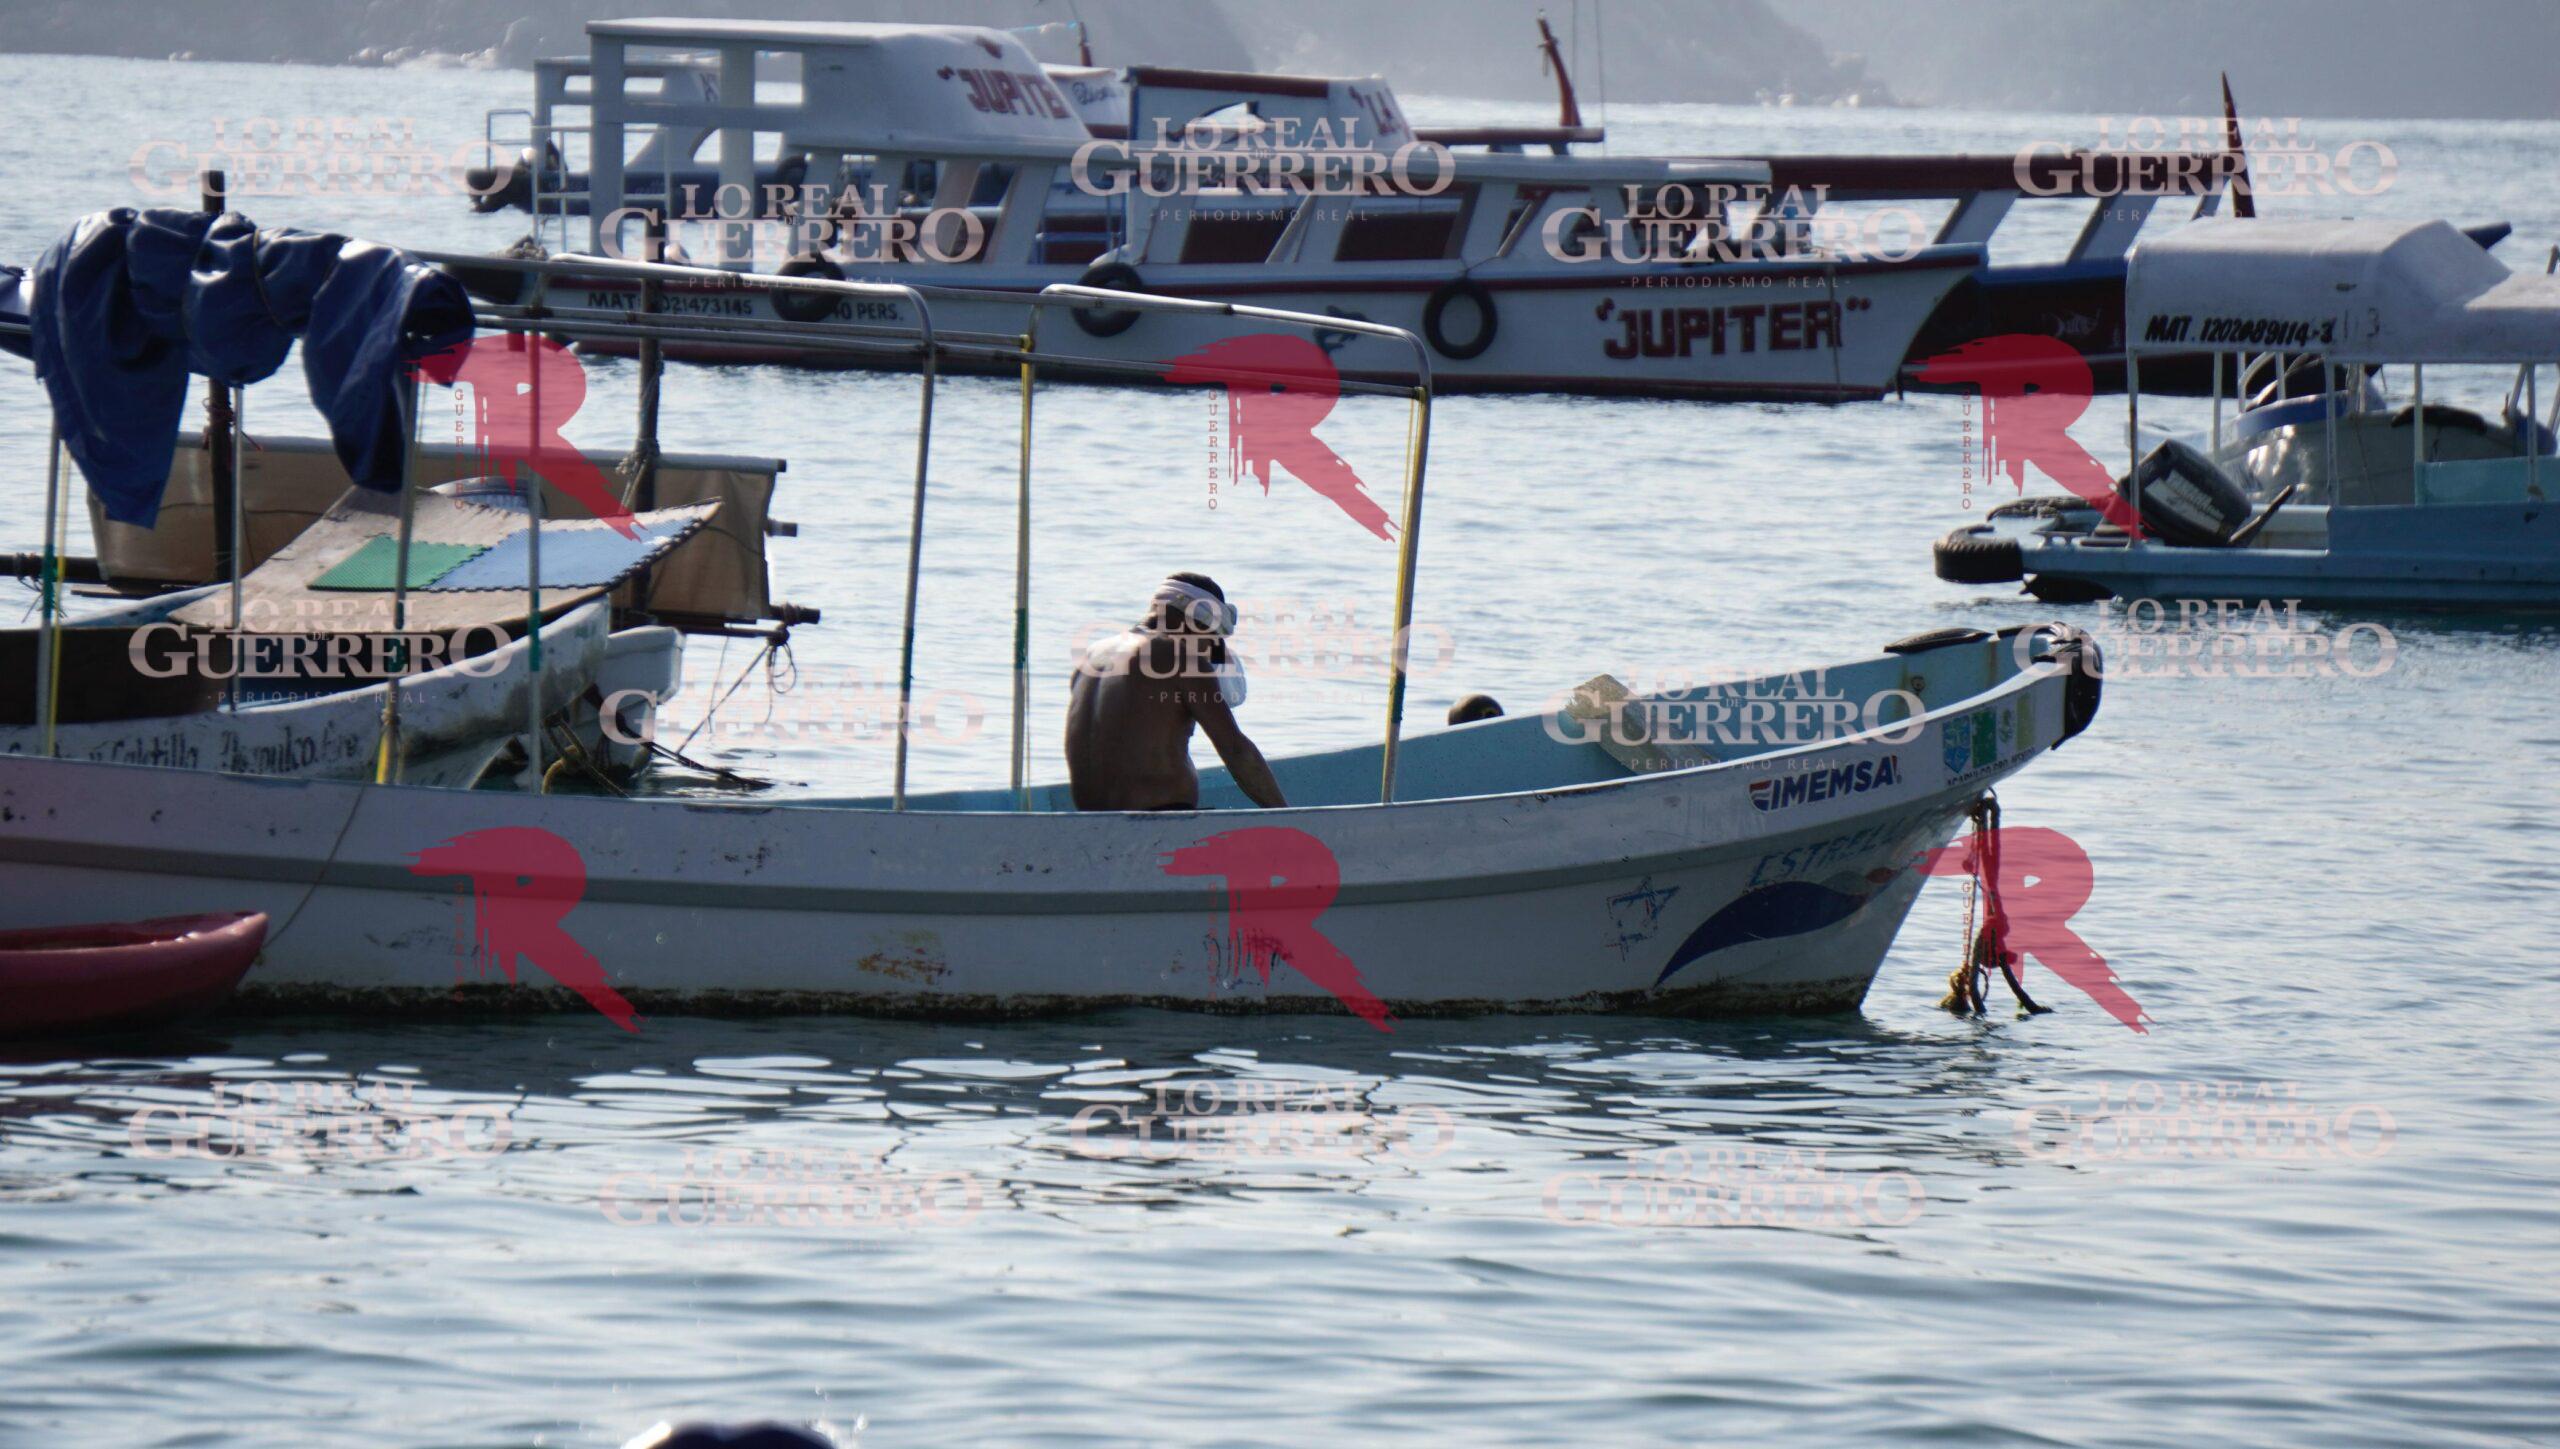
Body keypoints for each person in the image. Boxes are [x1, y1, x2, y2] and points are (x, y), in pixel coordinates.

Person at [1066, 573, 1288, 812]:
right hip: (1163, 823)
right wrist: (1288, 818)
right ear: (1200, 621)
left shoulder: (1092, 655)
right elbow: (1236, 751)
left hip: (1090, 823)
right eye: (1213, 640)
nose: (1209, 653)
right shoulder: (1180, 656)